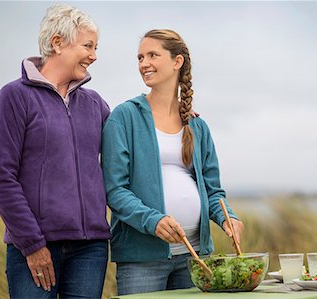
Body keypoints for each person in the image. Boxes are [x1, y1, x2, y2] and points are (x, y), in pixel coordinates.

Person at [101, 29, 244, 295]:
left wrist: (228, 218)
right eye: (140, 57)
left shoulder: (197, 125)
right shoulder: (123, 118)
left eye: (153, 55)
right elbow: (115, 190)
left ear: (177, 61)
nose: (144, 63)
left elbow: (213, 191)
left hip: (197, 258)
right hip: (142, 260)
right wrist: (153, 221)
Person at [0, 4, 110, 298]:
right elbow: (1, 177)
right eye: (87, 46)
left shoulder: (95, 104)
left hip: (90, 248)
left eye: (96, 47)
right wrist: (32, 244)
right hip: (34, 246)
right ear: (57, 43)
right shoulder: (13, 98)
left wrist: (173, 112)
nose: (94, 55)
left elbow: (130, 144)